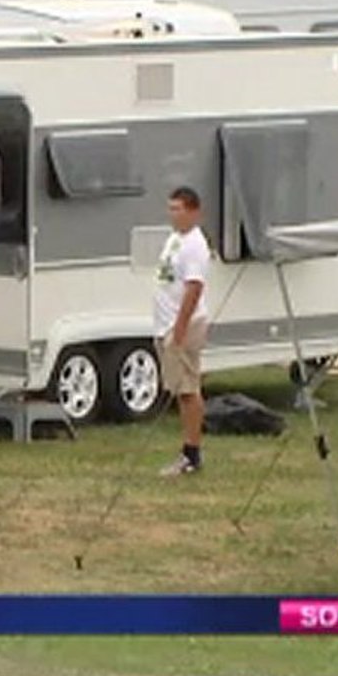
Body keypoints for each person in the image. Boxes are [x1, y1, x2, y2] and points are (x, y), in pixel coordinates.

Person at [154, 187, 211, 477]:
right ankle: (188, 449)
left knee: (188, 389)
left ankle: (192, 453)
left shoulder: (195, 245)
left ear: (193, 212)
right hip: (165, 323)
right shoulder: (175, 239)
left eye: (178, 209)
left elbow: (194, 287)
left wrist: (180, 328)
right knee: (179, 388)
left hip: (183, 325)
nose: (173, 214)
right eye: (171, 208)